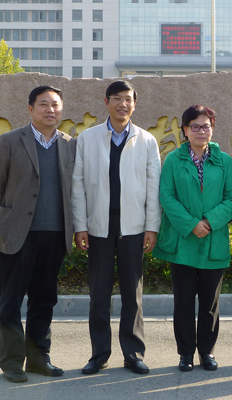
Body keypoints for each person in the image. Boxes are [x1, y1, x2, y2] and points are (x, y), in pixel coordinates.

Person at [0, 85, 76, 383]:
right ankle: (12, 362)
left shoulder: (70, 144)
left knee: (44, 299)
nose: (51, 110)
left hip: (55, 234)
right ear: (30, 109)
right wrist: (12, 216)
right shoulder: (11, 141)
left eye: (55, 105)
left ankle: (39, 358)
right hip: (17, 234)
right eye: (43, 104)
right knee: (11, 301)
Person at [72, 80, 161, 375]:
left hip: (133, 226)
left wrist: (152, 227)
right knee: (98, 293)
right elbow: (78, 185)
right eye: (117, 98)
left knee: (132, 294)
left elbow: (153, 188)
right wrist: (80, 225)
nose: (123, 104)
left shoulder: (146, 140)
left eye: (128, 99)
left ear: (134, 104)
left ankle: (133, 353)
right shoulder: (88, 138)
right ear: (106, 102)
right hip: (98, 226)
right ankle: (99, 354)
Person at [153, 105, 232, 372]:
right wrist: (192, 224)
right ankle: (186, 353)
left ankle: (207, 352)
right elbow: (166, 196)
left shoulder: (223, 160)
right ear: (185, 130)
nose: (201, 131)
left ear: (212, 129)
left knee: (210, 303)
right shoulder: (173, 160)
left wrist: (209, 222)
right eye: (195, 126)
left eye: (206, 126)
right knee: (183, 302)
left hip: (213, 239)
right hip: (183, 241)